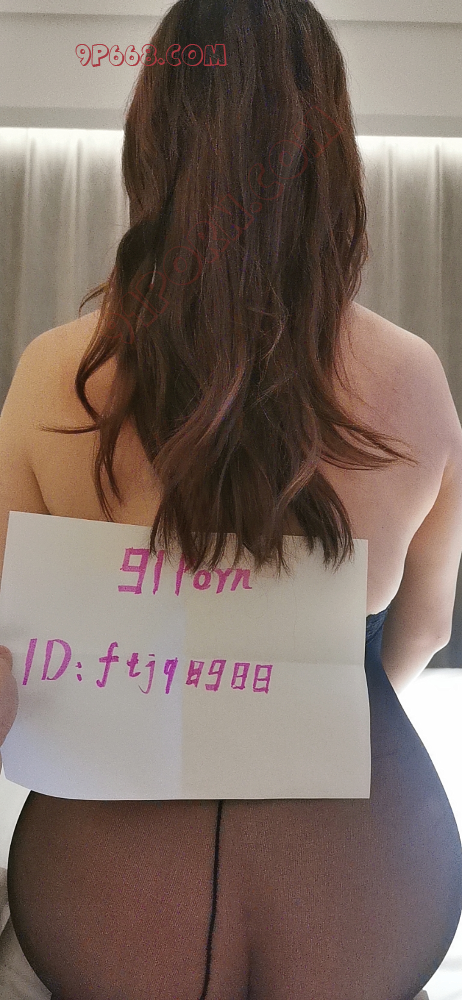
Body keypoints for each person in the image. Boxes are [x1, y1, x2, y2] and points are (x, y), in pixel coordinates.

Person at [1, 0, 462, 997]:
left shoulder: (54, 375)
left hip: (109, 875)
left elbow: (9, 648)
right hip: (362, 867)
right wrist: (299, 690)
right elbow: (423, 631)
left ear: (153, 142)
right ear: (330, 150)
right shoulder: (413, 379)